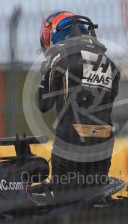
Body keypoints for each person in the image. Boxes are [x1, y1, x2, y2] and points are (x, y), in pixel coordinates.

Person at [36, 11, 120, 203]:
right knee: (93, 205)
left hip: (70, 143)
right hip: (103, 143)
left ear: (56, 34)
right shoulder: (110, 64)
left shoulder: (60, 59)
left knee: (65, 207)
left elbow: (43, 104)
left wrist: (47, 73)